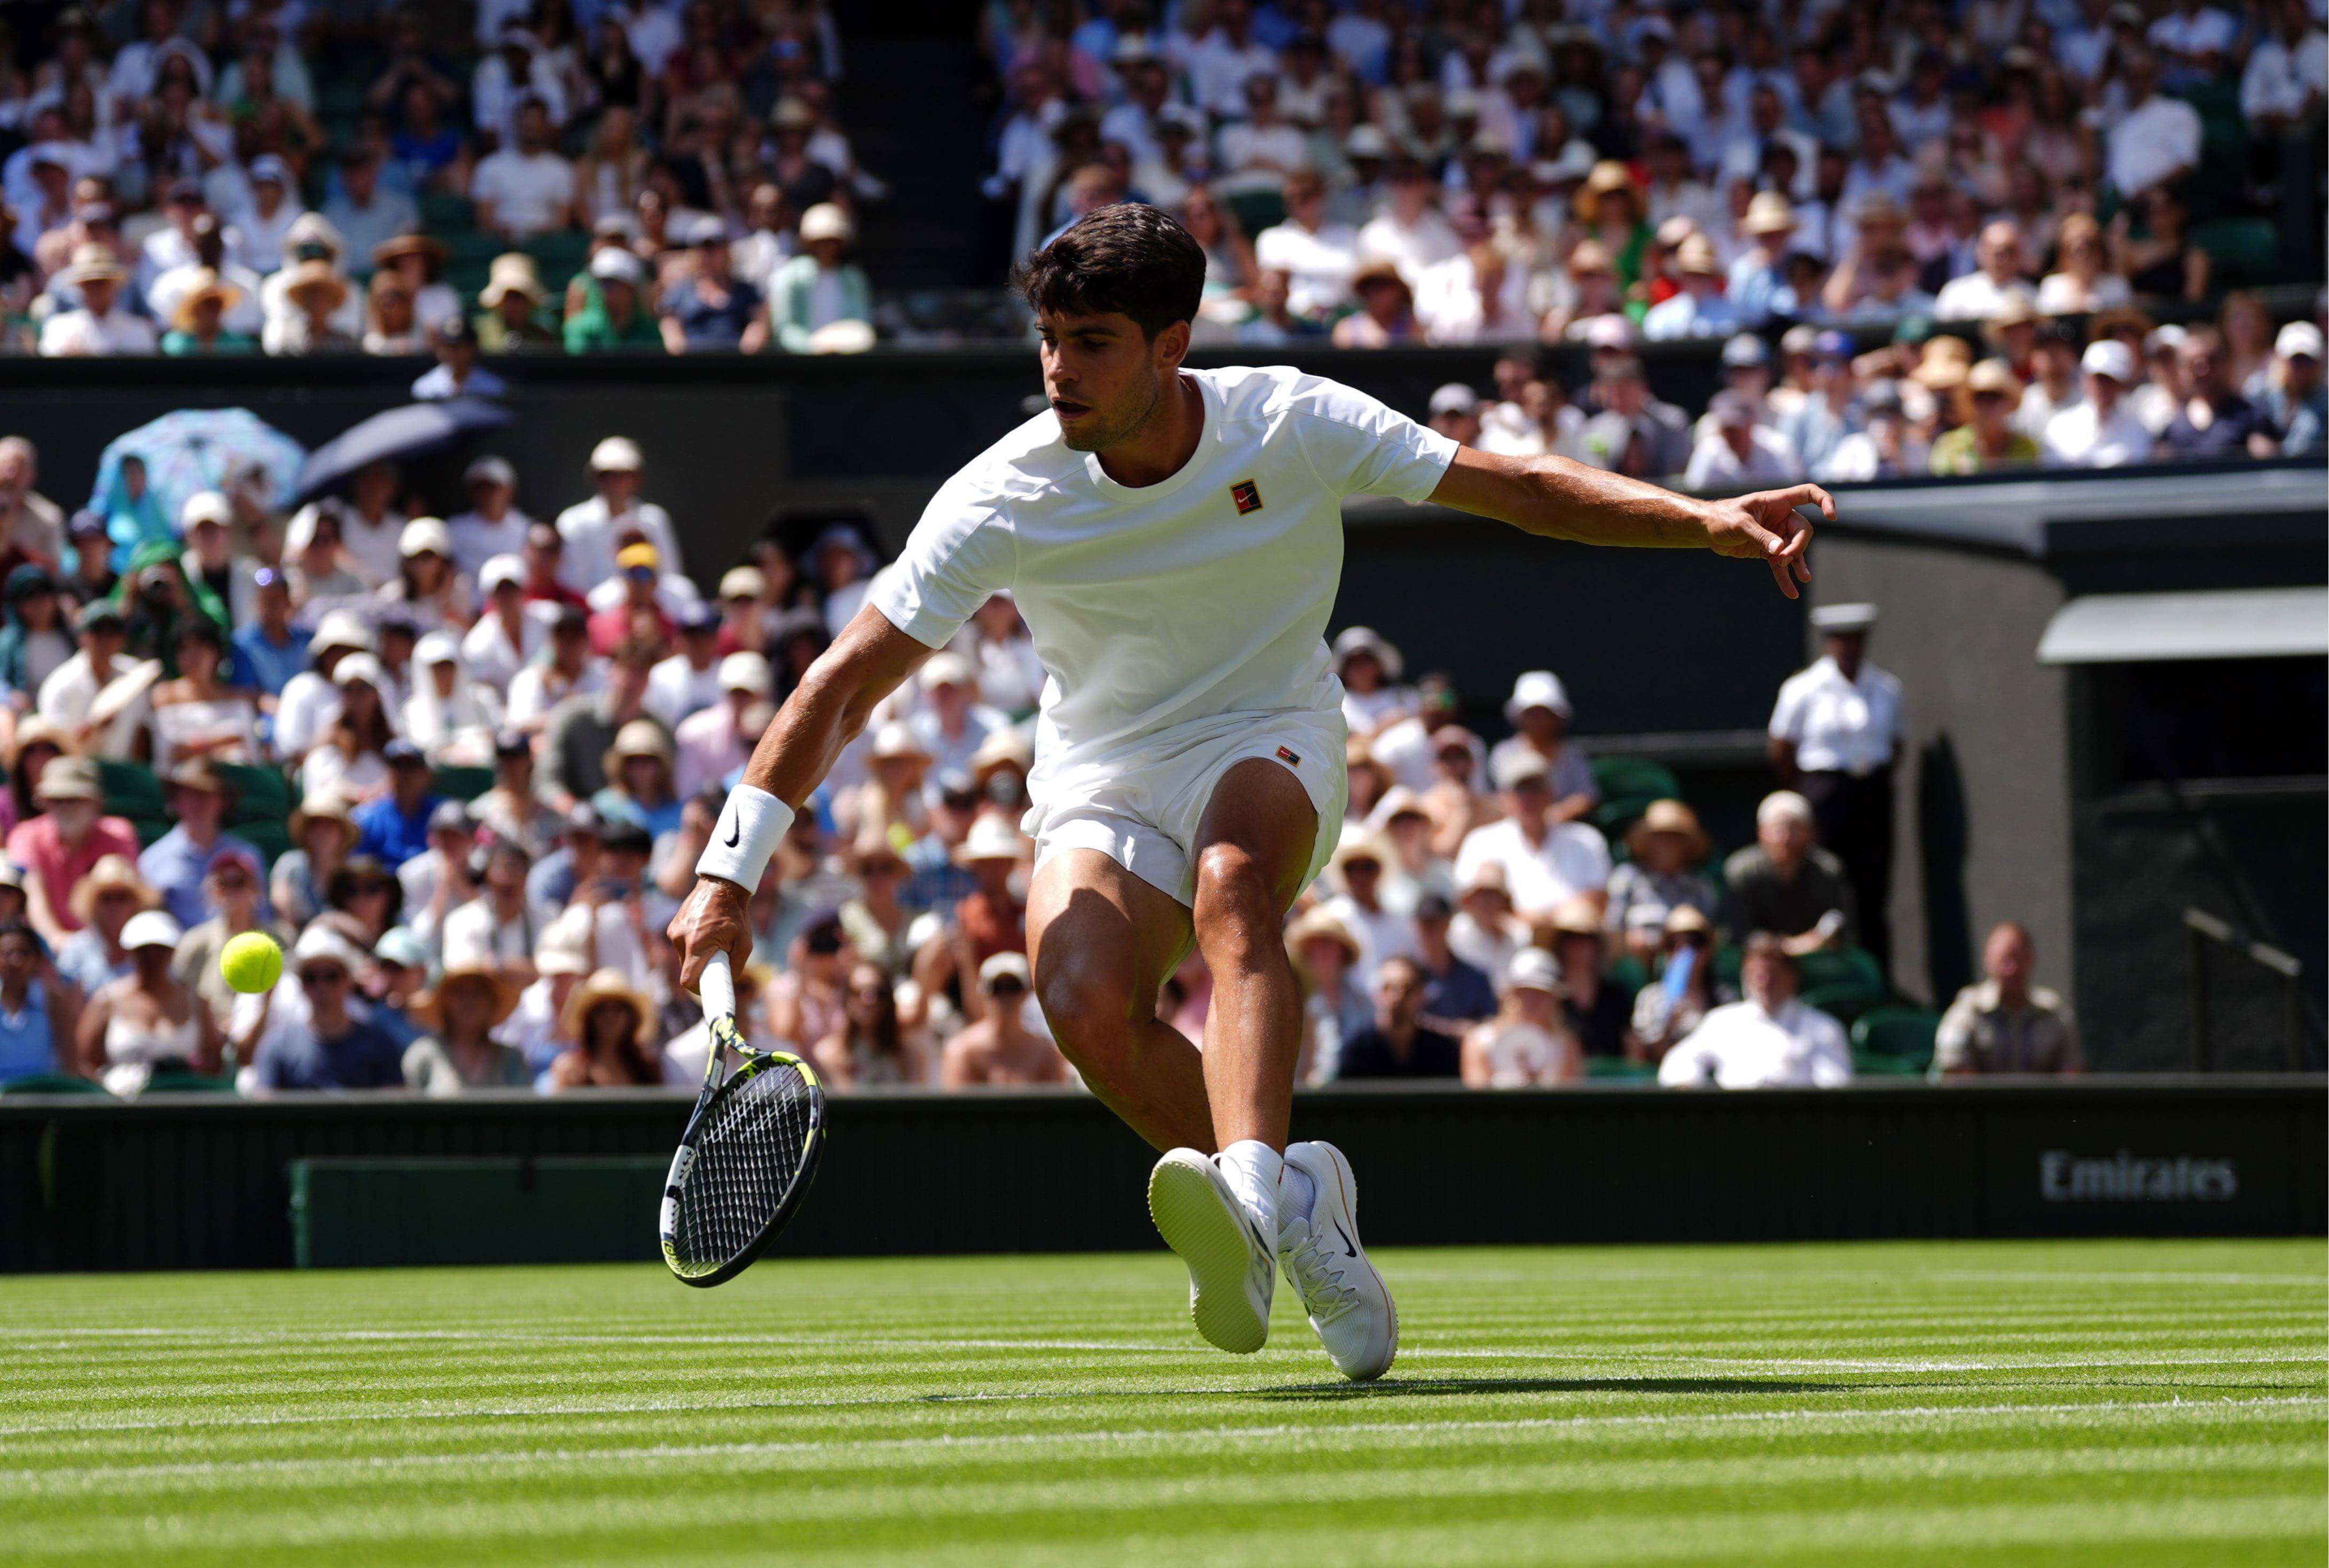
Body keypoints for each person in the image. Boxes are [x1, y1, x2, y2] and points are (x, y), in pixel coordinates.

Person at [664, 203, 1826, 1383]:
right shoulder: (999, 497)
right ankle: (1298, 1205)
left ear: (1172, 346)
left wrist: (1703, 522)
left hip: (1268, 732)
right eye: (1048, 337)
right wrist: (727, 871)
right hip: (1100, 767)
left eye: (1094, 340)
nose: (1059, 368)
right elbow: (842, 682)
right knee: (1079, 1000)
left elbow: (1511, 485)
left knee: (1231, 885)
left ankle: (1257, 1195)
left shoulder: (1290, 420)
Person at [1769, 603, 1901, 966]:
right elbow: (1781, 748)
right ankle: (1821, 965)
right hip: (1824, 794)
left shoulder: (1887, 688)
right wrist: (1810, 792)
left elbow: (1896, 746)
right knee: (1822, 882)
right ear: (1829, 644)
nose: (1849, 648)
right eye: (1841, 640)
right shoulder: (1803, 688)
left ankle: (1874, 973)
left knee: (1872, 889)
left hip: (1871, 796)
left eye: (1856, 640)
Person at [1658, 933, 1850, 1088]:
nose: (1764, 983)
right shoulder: (1722, 1021)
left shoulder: (1824, 1028)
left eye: (1772, 975)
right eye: (1756, 975)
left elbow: (1834, 1087)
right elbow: (1679, 1063)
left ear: (1792, 978)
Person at [247, 926, 405, 1091]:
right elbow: (264, 1107)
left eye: (332, 976)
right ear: (301, 985)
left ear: (349, 981)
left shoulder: (380, 1044)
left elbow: (395, 1109)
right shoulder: (277, 1045)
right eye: (311, 978)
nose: (321, 986)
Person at [76, 909, 217, 1090]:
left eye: (160, 949)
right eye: (144, 950)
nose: (152, 957)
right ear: (131, 952)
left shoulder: (196, 1002)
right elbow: (86, 1063)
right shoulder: (106, 1002)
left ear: (172, 952)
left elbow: (213, 1061)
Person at [1934, 920, 2082, 1078]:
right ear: (1988, 961)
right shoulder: (1967, 1012)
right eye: (2005, 961)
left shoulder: (2054, 1013)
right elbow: (1955, 1074)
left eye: (2019, 959)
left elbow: (2072, 1073)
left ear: (2031, 959)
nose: (2012, 969)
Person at [1724, 790, 1856, 955]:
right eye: (1778, 829)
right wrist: (1780, 946)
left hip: (1816, 957)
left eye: (1794, 828)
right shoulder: (1741, 870)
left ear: (1811, 832)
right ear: (1761, 832)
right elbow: (1737, 931)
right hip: (1756, 959)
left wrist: (1819, 938)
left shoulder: (1828, 869)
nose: (1785, 838)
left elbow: (1841, 922)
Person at [1604, 799, 1718, 962]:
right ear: (1647, 842)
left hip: (1686, 964)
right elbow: (1612, 928)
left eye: (1675, 838)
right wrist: (1629, 941)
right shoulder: (1627, 877)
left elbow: (1709, 938)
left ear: (1687, 845)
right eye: (1659, 836)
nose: (1666, 844)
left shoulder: (1701, 886)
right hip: (1634, 964)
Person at [941, 952, 1068, 1086]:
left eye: (1013, 987)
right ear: (982, 992)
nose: (1005, 996)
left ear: (1027, 992)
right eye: (997, 988)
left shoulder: (1046, 1053)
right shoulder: (962, 1051)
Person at [1460, 947, 1580, 1087]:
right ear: (1510, 995)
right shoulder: (1480, 1040)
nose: (1532, 1001)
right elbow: (1476, 1093)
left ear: (1554, 999)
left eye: (1541, 994)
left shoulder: (1566, 1045)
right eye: (1524, 993)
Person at [403, 962, 528, 1093]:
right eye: (459, 992)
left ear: (492, 1002)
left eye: (478, 993)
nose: (469, 1001)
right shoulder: (423, 1055)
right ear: (445, 1002)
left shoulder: (511, 1058)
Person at [1335, 955, 1462, 1079]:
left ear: (1421, 995)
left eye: (1406, 989)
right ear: (1376, 993)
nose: (1396, 997)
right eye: (1388, 988)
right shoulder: (1356, 1050)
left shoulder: (1442, 1052)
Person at [1631, 905, 1728, 1062]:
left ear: (1708, 951)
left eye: (1694, 942)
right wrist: (1667, 1025)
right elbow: (1645, 1057)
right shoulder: (1650, 998)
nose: (1683, 950)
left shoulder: (1723, 998)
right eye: (1673, 944)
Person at [2043, 340, 2155, 468]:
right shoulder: (2059, 427)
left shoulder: (2139, 429)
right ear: (2084, 378)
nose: (2103, 387)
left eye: (2111, 380)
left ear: (2123, 384)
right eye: (2098, 379)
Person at [547, 967, 665, 1088]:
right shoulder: (570, 1070)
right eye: (602, 1010)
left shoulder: (648, 1069)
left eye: (618, 1009)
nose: (610, 1017)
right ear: (590, 1017)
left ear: (631, 1017)